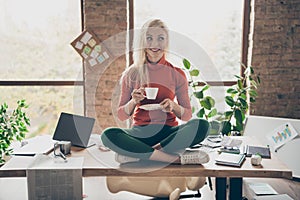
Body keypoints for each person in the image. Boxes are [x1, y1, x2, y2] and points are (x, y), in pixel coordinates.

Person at [101, 19, 210, 165]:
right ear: (143, 42)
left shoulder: (177, 73)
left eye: (160, 38)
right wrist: (133, 101)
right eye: (149, 38)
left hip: (169, 134)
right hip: (140, 132)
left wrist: (173, 106)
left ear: (166, 42)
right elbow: (121, 115)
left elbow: (187, 115)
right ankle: (174, 159)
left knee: (203, 125)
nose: (154, 44)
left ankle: (143, 153)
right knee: (108, 135)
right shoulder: (132, 74)